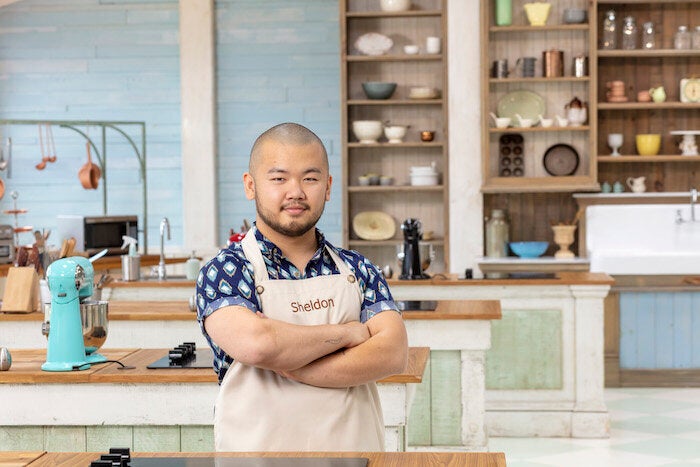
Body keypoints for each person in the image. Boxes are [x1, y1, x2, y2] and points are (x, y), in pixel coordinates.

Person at [196, 122, 408, 452]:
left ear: (328, 186)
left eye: (310, 178)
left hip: (354, 457)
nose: (295, 191)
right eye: (279, 178)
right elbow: (259, 345)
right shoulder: (226, 270)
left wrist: (292, 364)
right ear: (250, 186)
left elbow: (394, 352)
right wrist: (348, 334)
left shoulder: (358, 268)